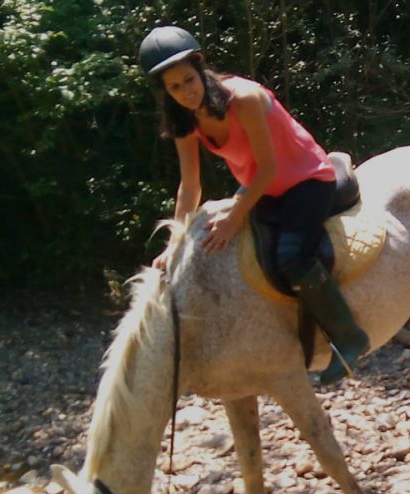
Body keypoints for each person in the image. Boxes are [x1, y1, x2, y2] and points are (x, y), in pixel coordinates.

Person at [138, 25, 368, 384]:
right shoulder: (183, 119)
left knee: (291, 254)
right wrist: (175, 243)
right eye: (175, 87)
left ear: (200, 65)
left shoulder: (242, 98)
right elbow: (190, 185)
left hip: (305, 179)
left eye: (188, 80)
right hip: (265, 188)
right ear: (165, 91)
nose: (185, 92)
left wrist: (233, 216)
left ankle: (349, 336)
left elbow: (269, 166)